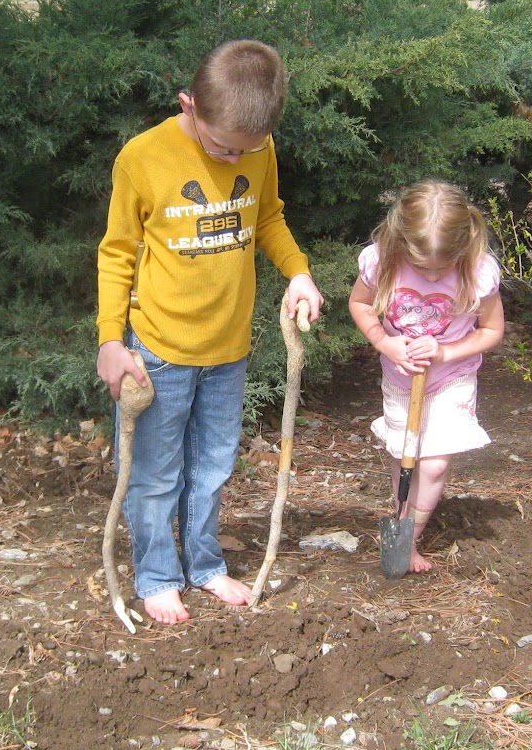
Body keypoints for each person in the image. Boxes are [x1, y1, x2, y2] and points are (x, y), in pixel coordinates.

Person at [97, 40, 323, 625]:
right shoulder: (142, 158)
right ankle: (156, 575)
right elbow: (117, 254)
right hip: (158, 351)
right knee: (154, 473)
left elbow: (267, 215)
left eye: (243, 152)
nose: (232, 160)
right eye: (222, 148)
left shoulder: (258, 146)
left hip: (230, 349)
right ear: (188, 105)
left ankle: (203, 564)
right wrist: (110, 340)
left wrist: (298, 273)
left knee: (215, 465)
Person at [348, 180, 504, 573]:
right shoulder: (381, 261)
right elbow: (360, 304)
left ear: (463, 247)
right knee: (407, 457)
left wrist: (446, 351)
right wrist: (386, 343)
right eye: (421, 268)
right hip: (401, 382)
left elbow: (491, 331)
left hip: (453, 378)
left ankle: (408, 540)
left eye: (443, 268)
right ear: (401, 244)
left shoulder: (478, 272)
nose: (433, 278)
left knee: (434, 464)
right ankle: (400, 523)